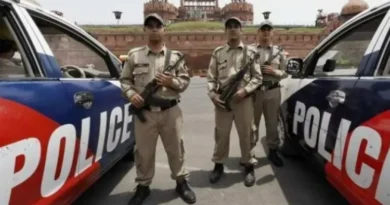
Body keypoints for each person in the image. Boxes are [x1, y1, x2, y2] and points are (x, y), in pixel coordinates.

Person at [119, 13, 196, 205]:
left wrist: (172, 81)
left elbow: (185, 81)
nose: (154, 28)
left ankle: (181, 182)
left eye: (158, 25)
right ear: (145, 30)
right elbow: (124, 81)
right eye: (150, 25)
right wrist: (131, 95)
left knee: (176, 150)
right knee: (144, 152)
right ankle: (143, 186)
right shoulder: (134, 56)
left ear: (164, 30)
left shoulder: (175, 57)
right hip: (145, 112)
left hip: (171, 112)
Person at [206, 17, 262, 187]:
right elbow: (211, 78)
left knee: (246, 134)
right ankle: (218, 165)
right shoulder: (218, 52)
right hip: (222, 100)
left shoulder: (250, 53)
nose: (232, 29)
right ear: (226, 30)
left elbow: (258, 77)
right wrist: (213, 95)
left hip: (243, 100)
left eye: (236, 26)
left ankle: (248, 165)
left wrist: (245, 90)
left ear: (241, 30)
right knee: (221, 135)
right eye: (229, 26)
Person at [250, 18, 288, 167]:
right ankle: (249, 153)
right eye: (263, 30)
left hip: (272, 91)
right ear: (258, 33)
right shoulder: (250, 50)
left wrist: (274, 71)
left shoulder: (279, 52)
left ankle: (273, 151)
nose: (266, 33)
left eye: (268, 30)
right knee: (252, 124)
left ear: (272, 33)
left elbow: (285, 72)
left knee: (272, 123)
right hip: (254, 92)